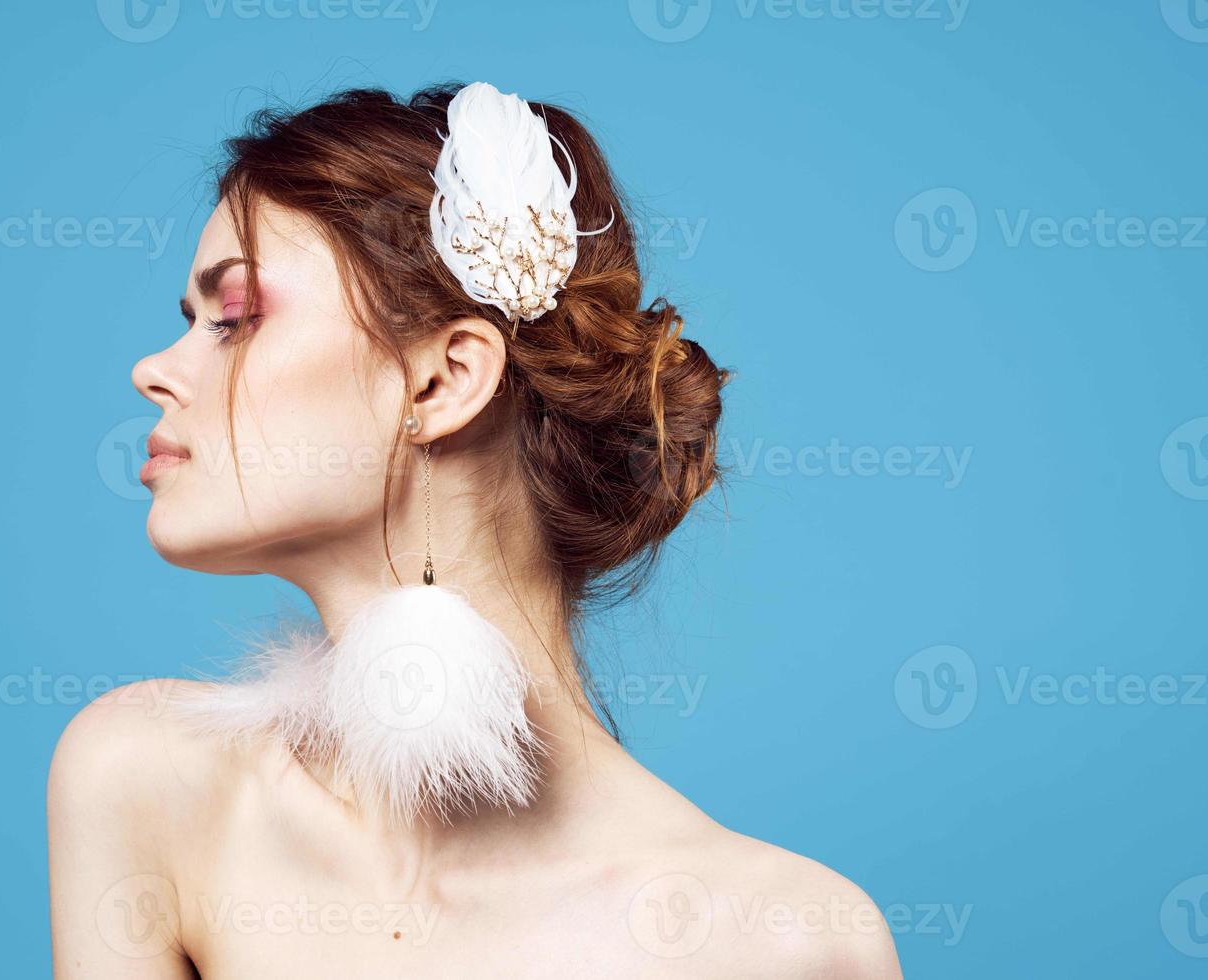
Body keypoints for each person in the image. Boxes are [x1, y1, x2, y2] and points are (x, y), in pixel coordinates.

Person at [48, 81, 902, 979]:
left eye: (235, 318)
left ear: (441, 382)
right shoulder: (149, 787)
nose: (153, 369)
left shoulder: (785, 941)